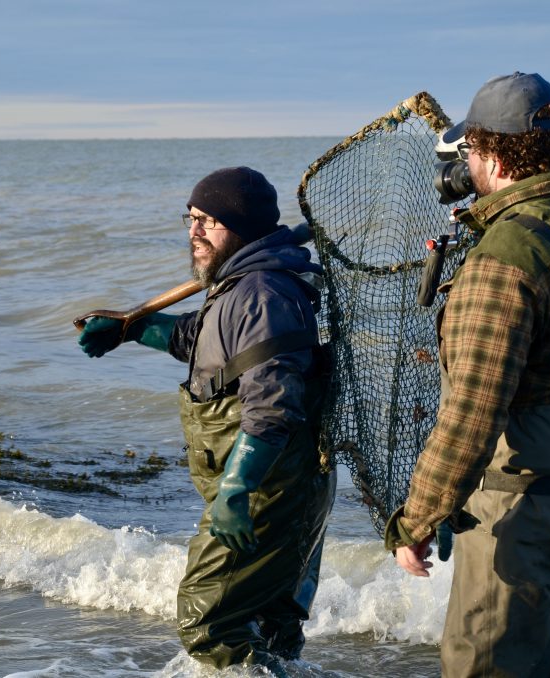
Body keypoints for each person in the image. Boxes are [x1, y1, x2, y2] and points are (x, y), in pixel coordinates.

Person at [385, 72, 550, 676]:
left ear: (498, 159)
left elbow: (471, 416)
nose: (466, 167)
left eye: (473, 153)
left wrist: (417, 519)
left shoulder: (504, 256)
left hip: (522, 519)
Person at [78, 166, 335, 673]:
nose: (194, 231)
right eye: (191, 218)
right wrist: (132, 329)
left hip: (266, 492)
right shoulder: (238, 286)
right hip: (278, 487)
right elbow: (202, 343)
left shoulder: (263, 295)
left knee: (209, 624)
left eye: (209, 221)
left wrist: (237, 488)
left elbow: (273, 403)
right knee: (268, 628)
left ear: (242, 226)